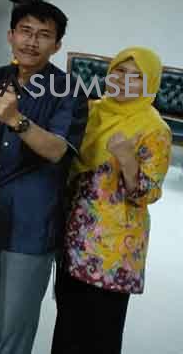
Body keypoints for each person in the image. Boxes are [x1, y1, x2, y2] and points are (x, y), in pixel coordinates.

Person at [0, 2, 88, 354]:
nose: (32, 41)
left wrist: (16, 120)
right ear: (11, 36)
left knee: (16, 325)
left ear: (57, 45)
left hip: (31, 224)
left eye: (44, 35)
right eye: (25, 31)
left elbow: (56, 150)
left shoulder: (69, 89)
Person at [52, 47, 172, 354]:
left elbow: (147, 194)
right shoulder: (93, 111)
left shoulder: (154, 129)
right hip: (74, 238)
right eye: (119, 71)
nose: (124, 80)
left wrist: (129, 161)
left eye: (136, 76)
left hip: (114, 249)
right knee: (67, 323)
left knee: (101, 333)